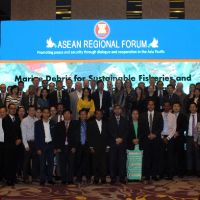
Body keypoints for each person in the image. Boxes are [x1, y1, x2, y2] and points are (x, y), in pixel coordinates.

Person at [139, 100, 163, 183]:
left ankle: (154, 174)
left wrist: (154, 134)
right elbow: (141, 127)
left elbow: (161, 127)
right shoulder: (142, 115)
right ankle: (147, 175)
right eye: (149, 105)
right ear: (147, 106)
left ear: (154, 106)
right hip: (146, 139)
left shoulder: (159, 114)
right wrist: (148, 135)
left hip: (156, 139)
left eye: (152, 105)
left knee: (155, 157)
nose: (150, 106)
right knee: (147, 158)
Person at [35, 107, 56, 185]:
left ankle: (50, 179)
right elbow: (36, 137)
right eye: (44, 112)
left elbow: (55, 136)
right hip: (42, 146)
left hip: (50, 145)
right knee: (42, 164)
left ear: (49, 114)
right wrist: (38, 148)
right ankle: (42, 179)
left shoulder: (53, 123)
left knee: (51, 163)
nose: (46, 114)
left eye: (47, 112)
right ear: (42, 114)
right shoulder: (37, 123)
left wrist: (55, 147)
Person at [108, 104, 129, 184]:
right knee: (112, 161)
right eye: (116, 109)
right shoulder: (109, 120)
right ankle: (113, 178)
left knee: (122, 162)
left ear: (121, 110)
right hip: (113, 143)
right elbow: (109, 131)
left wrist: (121, 139)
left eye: (119, 109)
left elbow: (127, 131)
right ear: (114, 110)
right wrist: (116, 138)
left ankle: (122, 178)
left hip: (122, 144)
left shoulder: (125, 120)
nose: (117, 110)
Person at [54, 109, 76, 184]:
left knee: (71, 164)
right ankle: (63, 179)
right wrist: (57, 148)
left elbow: (76, 137)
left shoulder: (75, 124)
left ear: (71, 115)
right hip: (62, 148)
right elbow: (56, 137)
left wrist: (74, 147)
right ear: (63, 115)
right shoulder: (59, 124)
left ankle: (70, 179)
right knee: (62, 164)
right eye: (65, 114)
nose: (67, 115)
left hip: (71, 147)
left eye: (68, 113)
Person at [2, 103, 22, 186]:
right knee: (8, 162)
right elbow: (8, 132)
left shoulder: (17, 119)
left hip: (17, 145)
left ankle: (13, 178)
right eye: (11, 108)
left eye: (14, 108)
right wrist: (15, 139)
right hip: (9, 144)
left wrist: (20, 139)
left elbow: (19, 131)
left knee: (15, 162)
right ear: (8, 109)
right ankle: (8, 179)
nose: (13, 110)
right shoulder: (5, 119)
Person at [88, 109, 109, 184]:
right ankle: (96, 178)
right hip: (95, 147)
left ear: (102, 115)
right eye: (97, 114)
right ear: (95, 115)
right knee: (95, 164)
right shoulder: (90, 123)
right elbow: (89, 136)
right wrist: (91, 147)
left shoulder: (106, 123)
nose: (99, 115)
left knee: (103, 164)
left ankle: (103, 178)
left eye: (100, 114)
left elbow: (108, 136)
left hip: (104, 146)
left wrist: (108, 146)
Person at [21, 106, 38, 183]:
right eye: (30, 110)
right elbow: (23, 134)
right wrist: (26, 145)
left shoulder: (37, 120)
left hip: (35, 143)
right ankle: (25, 177)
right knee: (26, 161)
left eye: (33, 110)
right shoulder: (24, 121)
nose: (32, 112)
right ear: (28, 111)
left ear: (35, 111)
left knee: (35, 160)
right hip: (28, 142)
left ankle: (34, 176)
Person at [160, 101, 176, 180]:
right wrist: (162, 137)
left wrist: (168, 138)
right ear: (163, 107)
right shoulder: (160, 115)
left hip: (170, 138)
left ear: (170, 107)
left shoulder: (173, 116)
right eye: (165, 106)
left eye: (168, 106)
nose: (166, 107)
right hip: (161, 137)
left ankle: (170, 174)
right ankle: (162, 173)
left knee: (170, 157)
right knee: (161, 156)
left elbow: (174, 128)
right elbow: (158, 127)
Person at [74, 109, 90, 183]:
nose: (83, 116)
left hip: (87, 145)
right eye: (82, 114)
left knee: (87, 162)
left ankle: (88, 177)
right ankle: (78, 177)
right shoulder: (75, 124)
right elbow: (73, 136)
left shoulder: (90, 124)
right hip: (79, 145)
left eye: (84, 114)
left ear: (87, 115)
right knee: (78, 161)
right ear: (79, 116)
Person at [172, 102, 187, 177]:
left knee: (180, 155)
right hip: (171, 138)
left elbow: (184, 127)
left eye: (177, 106)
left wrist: (178, 132)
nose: (176, 107)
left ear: (180, 108)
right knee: (172, 156)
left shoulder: (183, 116)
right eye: (174, 106)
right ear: (172, 107)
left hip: (180, 138)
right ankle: (173, 171)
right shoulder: (170, 116)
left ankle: (181, 172)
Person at [186, 102, 200, 176]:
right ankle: (189, 170)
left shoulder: (199, 116)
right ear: (189, 108)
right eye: (191, 107)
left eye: (194, 107)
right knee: (189, 154)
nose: (192, 108)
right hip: (189, 137)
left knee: (197, 154)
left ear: (196, 108)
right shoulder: (187, 116)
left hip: (198, 138)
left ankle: (198, 170)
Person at [0, 107, 7, 183]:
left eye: (3, 112)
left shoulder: (8, 121)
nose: (2, 113)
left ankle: (5, 176)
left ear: (6, 112)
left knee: (6, 161)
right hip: (0, 143)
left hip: (7, 144)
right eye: (1, 112)